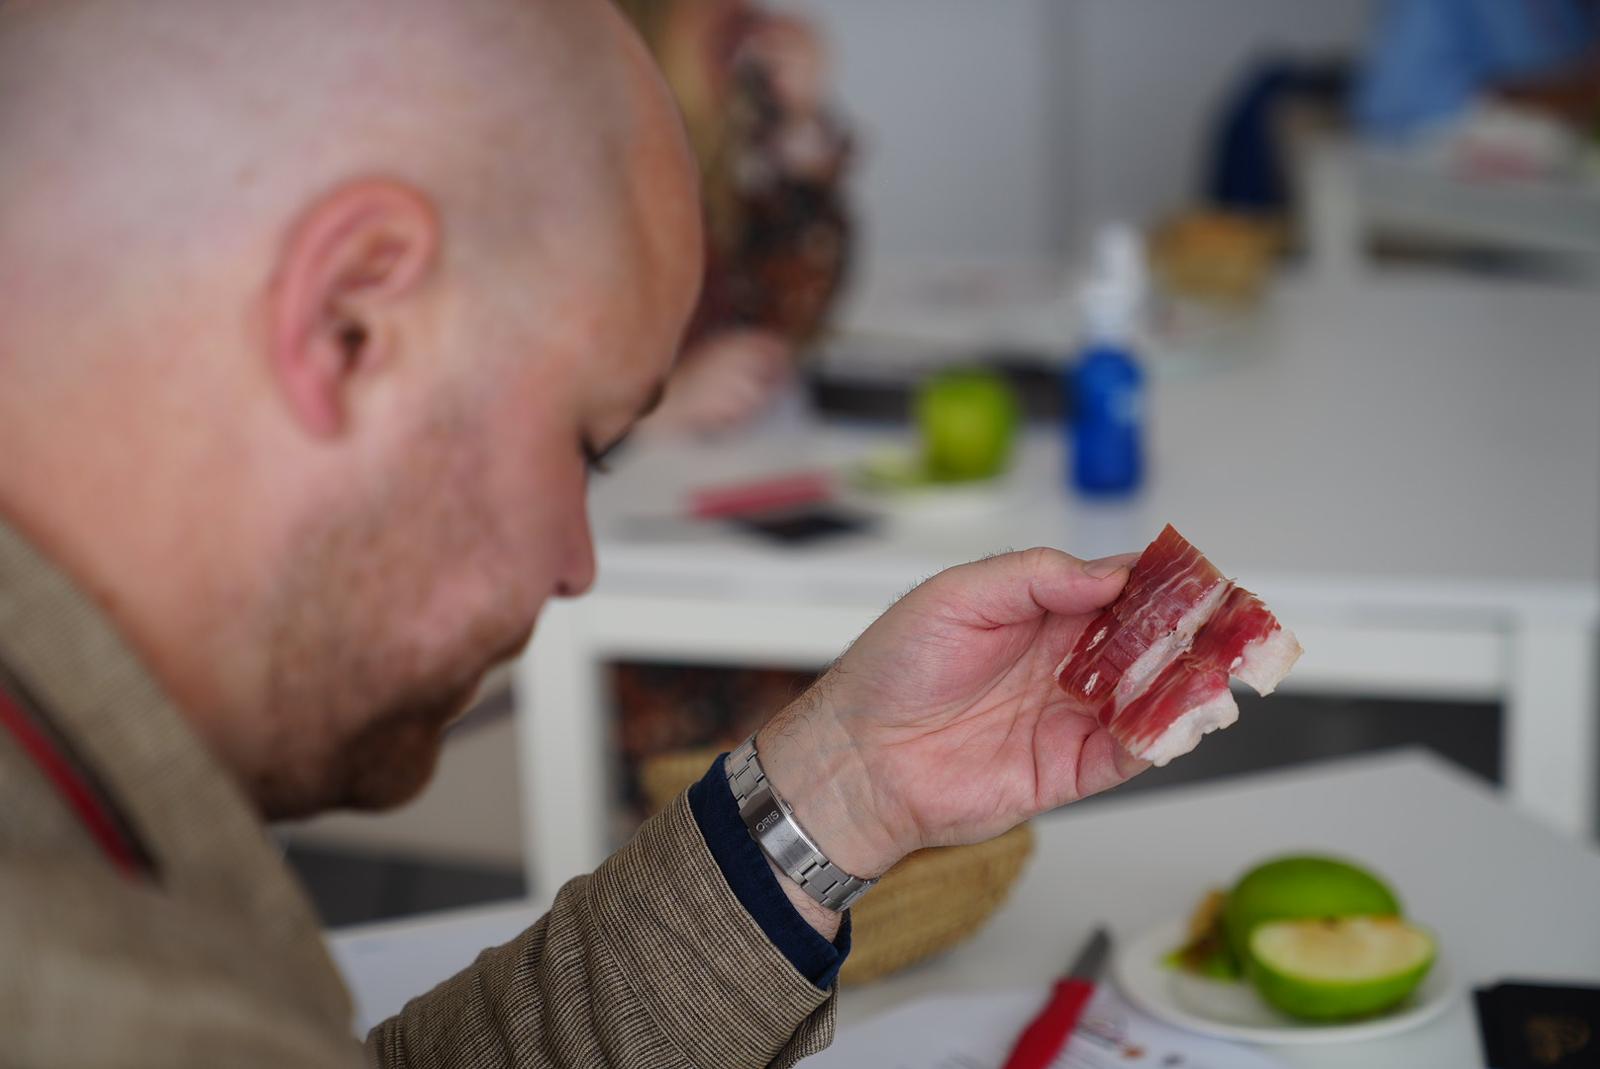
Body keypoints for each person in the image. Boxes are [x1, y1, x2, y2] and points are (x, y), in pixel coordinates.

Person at [0, 2, 1145, 1066]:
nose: (577, 564)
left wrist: (847, 786)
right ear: (350, 321)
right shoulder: (95, 997)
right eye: (583, 445)